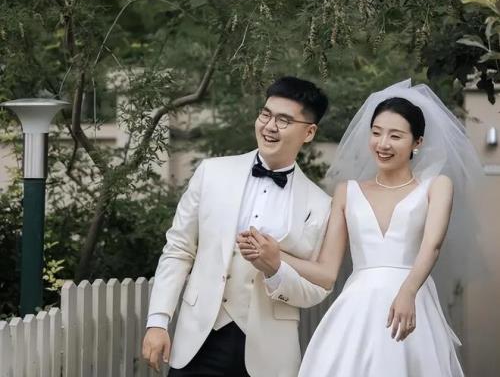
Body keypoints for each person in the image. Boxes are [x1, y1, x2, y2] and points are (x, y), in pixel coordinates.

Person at [239, 80, 485, 376]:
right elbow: (326, 272)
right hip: (357, 307)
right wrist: (275, 255)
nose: (383, 144)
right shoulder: (347, 191)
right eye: (376, 132)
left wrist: (407, 292)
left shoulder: (436, 186)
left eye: (395, 136)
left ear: (417, 142)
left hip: (412, 300)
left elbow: (432, 245)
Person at [142, 76, 332, 376]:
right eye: (266, 114)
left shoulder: (319, 205)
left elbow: (316, 290)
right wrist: (158, 320)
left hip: (268, 354)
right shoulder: (211, 173)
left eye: (283, 120)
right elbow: (178, 249)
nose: (269, 126)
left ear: (309, 132)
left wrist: (275, 269)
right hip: (197, 341)